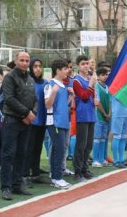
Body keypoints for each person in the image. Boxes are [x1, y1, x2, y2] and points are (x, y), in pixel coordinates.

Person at [0, 51, 37, 200]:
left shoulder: (30, 78)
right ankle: (6, 187)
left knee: (22, 154)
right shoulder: (9, 77)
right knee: (8, 155)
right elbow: (9, 99)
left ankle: (17, 184)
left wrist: (31, 113)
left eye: (27, 60)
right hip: (11, 121)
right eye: (21, 60)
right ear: (16, 61)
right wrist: (26, 113)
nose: (24, 63)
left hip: (25, 122)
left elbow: (35, 98)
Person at [45, 59, 74, 188]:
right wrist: (54, 92)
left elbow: (63, 106)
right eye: (65, 69)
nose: (67, 71)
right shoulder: (50, 85)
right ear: (58, 70)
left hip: (63, 122)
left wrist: (71, 98)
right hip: (54, 122)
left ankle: (54, 175)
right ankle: (56, 178)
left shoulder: (63, 86)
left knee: (61, 149)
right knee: (59, 149)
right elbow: (48, 105)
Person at [22, 58, 49, 185]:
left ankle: (36, 173)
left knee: (38, 148)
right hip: (31, 121)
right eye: (35, 66)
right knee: (28, 148)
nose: (38, 68)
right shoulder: (27, 81)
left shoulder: (45, 83)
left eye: (40, 66)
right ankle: (25, 174)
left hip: (42, 121)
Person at [73, 55, 97, 181]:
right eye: (83, 64)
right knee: (81, 145)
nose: (86, 66)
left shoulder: (89, 78)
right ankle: (77, 171)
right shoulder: (76, 80)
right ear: (78, 66)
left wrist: (94, 86)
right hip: (82, 115)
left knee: (88, 145)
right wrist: (91, 85)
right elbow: (83, 96)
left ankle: (84, 169)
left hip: (91, 114)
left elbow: (93, 96)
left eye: (87, 63)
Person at [92, 67, 111, 168]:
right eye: (103, 75)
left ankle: (102, 159)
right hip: (99, 116)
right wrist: (104, 113)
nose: (105, 77)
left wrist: (109, 113)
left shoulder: (107, 87)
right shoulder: (96, 87)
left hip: (107, 116)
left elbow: (110, 101)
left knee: (104, 138)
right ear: (98, 76)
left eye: (106, 74)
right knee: (97, 138)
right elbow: (97, 102)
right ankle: (95, 160)